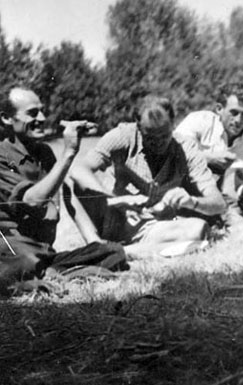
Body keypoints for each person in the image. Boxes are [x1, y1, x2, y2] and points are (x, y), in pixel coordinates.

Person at [0, 85, 127, 290]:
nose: (41, 118)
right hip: (12, 248)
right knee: (21, 259)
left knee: (113, 252)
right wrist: (68, 153)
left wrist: (94, 241)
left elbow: (67, 192)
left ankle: (46, 272)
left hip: (42, 251)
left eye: (41, 111)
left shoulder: (44, 153)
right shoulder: (2, 156)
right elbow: (32, 200)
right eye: (32, 113)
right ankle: (38, 274)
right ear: (6, 118)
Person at [69, 95, 225, 258]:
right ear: (138, 128)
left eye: (164, 136)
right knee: (70, 184)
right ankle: (95, 245)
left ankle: (118, 253)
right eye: (150, 138)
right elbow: (79, 169)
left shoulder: (186, 149)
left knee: (198, 229)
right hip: (112, 217)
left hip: (151, 227)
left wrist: (192, 202)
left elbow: (218, 203)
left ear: (173, 125)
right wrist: (116, 200)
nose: (158, 144)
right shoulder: (122, 136)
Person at [174, 82, 243, 221]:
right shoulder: (199, 121)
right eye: (234, 113)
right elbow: (174, 153)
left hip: (217, 197)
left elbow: (240, 192)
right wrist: (209, 158)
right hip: (183, 191)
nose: (239, 120)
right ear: (219, 109)